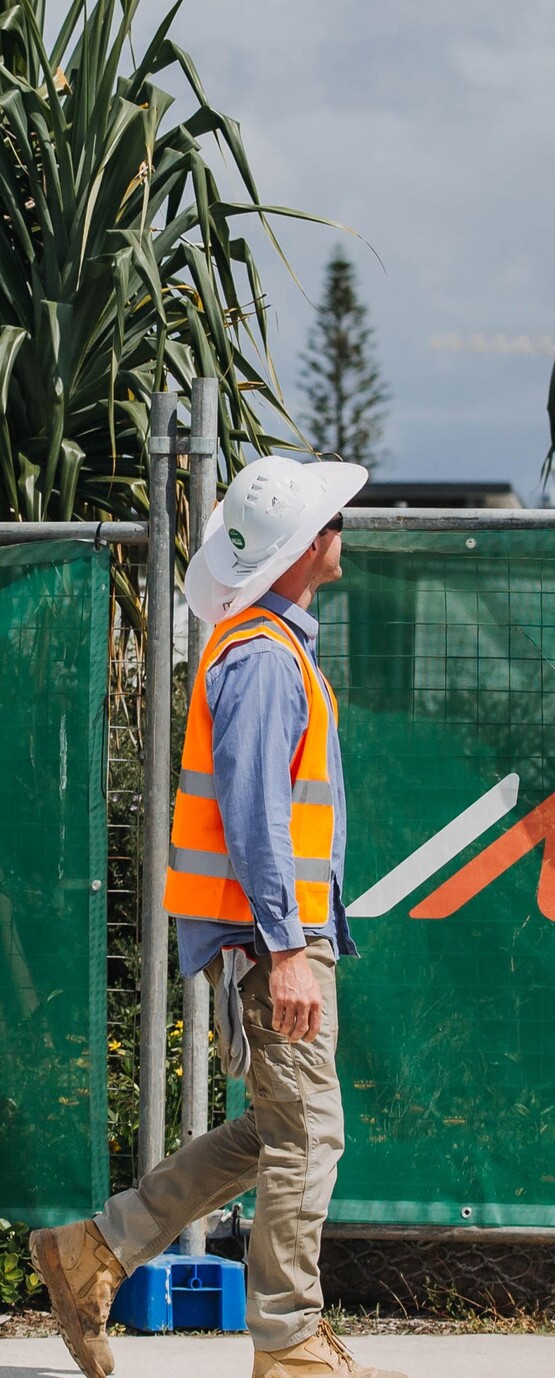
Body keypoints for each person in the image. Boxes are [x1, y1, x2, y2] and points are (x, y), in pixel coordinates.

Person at [29, 456, 405, 1378]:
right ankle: (288, 1345)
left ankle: (94, 1251)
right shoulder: (266, 662)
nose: (340, 531)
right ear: (301, 548)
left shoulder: (271, 650)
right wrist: (285, 948)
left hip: (264, 935)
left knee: (276, 1129)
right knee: (310, 1132)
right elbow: (256, 821)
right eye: (330, 520)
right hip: (266, 939)